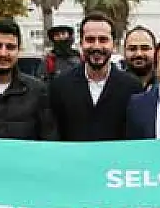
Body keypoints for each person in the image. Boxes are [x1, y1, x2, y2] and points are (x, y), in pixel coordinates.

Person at [49, 13, 142, 142]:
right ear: (81, 43)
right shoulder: (60, 86)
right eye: (90, 40)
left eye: (103, 40)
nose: (96, 46)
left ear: (114, 44)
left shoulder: (132, 87)